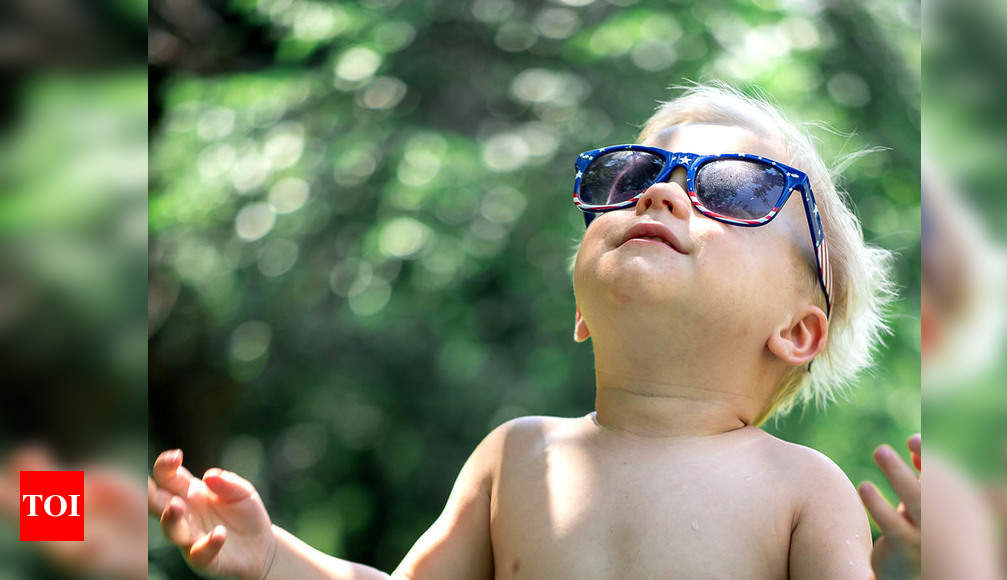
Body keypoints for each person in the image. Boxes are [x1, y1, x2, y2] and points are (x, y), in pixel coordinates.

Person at [149, 83, 917, 579]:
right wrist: (271, 557)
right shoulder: (517, 457)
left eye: (730, 191)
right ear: (582, 310)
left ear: (796, 331)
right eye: (627, 178)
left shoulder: (801, 489)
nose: (658, 194)